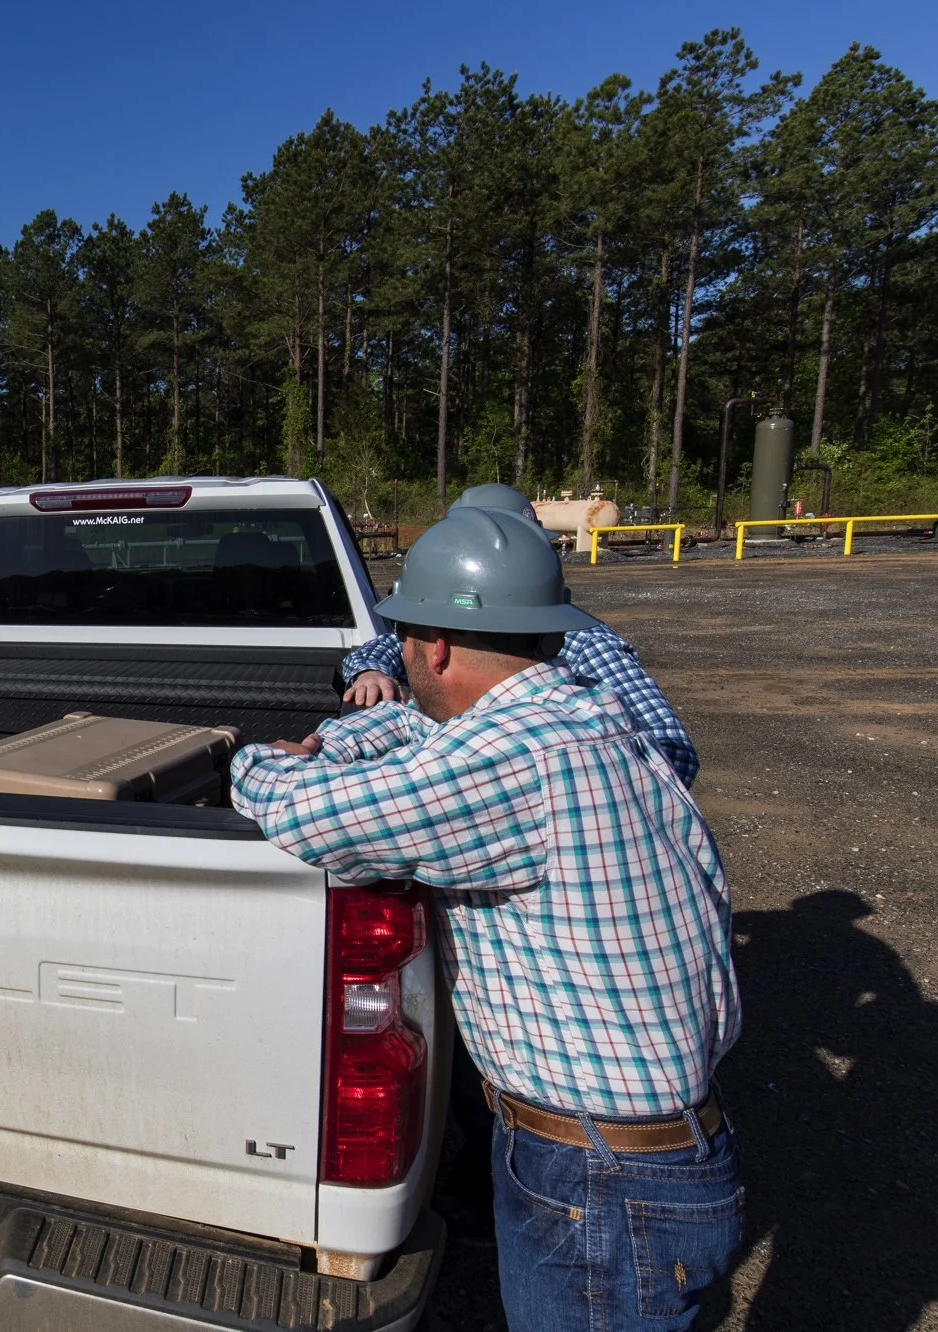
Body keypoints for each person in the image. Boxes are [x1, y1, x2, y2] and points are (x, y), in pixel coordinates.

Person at [230, 508, 742, 1332]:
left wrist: (251, 758)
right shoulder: (580, 715)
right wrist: (342, 738)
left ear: (435, 648)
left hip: (598, 1180)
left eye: (402, 639)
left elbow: (313, 818)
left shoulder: (517, 763)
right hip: (642, 1150)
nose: (396, 655)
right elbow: (421, 729)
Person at [342, 483, 699, 788]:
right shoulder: (449, 626)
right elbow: (389, 645)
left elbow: (672, 753)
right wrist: (371, 670)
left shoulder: (588, 642)